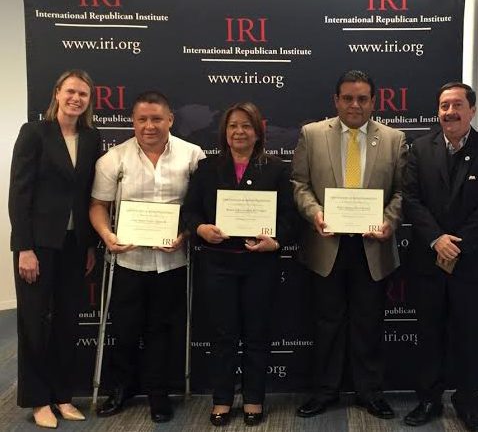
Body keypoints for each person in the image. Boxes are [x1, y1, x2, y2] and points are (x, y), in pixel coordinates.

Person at [291, 70, 407, 419]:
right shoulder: (312, 134)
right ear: (336, 101)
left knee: (369, 323)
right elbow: (299, 184)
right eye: (347, 98)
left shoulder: (394, 139)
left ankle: (370, 392)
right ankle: (324, 391)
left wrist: (389, 221)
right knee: (327, 323)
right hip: (327, 245)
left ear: (373, 101)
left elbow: (403, 192)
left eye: (362, 99)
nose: (354, 105)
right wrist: (315, 213)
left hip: (373, 248)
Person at [90, 90, 205, 423]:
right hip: (127, 261)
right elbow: (98, 206)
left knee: (162, 331)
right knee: (125, 330)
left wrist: (184, 234)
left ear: (170, 119)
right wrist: (107, 236)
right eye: (142, 119)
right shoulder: (114, 159)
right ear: (133, 121)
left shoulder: (192, 155)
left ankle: (158, 394)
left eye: (157, 119)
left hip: (172, 261)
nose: (149, 126)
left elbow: (200, 207)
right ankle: (121, 388)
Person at [182, 102, 297, 427]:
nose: (239, 132)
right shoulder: (207, 168)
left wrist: (275, 241)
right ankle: (222, 399)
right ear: (224, 132)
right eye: (233, 125)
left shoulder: (276, 169)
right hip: (217, 264)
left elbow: (290, 218)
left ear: (258, 132)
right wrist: (201, 229)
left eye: (246, 126)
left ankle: (253, 398)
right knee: (223, 335)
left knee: (257, 334)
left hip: (260, 265)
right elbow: (190, 211)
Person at [402, 82, 478, 430]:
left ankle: (469, 405)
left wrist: (458, 243)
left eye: (458, 105)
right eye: (444, 106)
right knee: (428, 334)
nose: (450, 112)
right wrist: (436, 239)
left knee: (471, 336)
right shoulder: (419, 148)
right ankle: (428, 400)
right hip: (428, 259)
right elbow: (411, 199)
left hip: (474, 261)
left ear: (472, 110)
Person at [9, 69, 102, 429]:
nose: (76, 99)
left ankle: (63, 395)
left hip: (75, 245)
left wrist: (89, 245)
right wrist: (24, 248)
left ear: (89, 101)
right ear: (57, 93)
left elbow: (89, 195)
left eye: (83, 94)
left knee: (68, 322)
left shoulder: (92, 138)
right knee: (33, 322)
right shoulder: (34, 133)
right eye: (71, 92)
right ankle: (37, 399)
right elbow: (19, 194)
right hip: (37, 246)